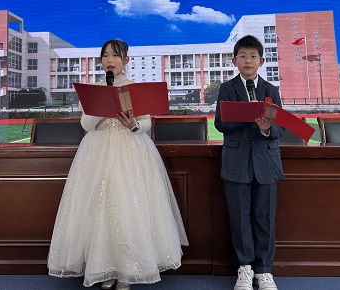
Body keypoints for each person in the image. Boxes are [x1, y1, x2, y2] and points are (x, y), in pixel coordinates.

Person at [48, 39, 188, 290]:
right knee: (100, 207)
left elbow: (146, 123)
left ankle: (127, 270)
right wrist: (102, 105)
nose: (110, 60)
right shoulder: (93, 90)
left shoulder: (135, 88)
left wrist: (133, 125)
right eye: (105, 56)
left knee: (128, 205)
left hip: (130, 148)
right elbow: (86, 125)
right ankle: (105, 267)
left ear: (126, 60)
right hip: (98, 149)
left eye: (115, 55)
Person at [214, 35, 286, 290]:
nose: (248, 60)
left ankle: (264, 270)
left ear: (261, 61)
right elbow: (220, 123)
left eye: (253, 56)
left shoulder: (271, 90)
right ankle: (244, 268)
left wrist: (266, 129)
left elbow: (281, 129)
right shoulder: (227, 88)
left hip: (266, 161)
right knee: (240, 217)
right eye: (242, 56)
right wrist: (248, 116)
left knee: (264, 217)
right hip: (236, 161)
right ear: (234, 61)